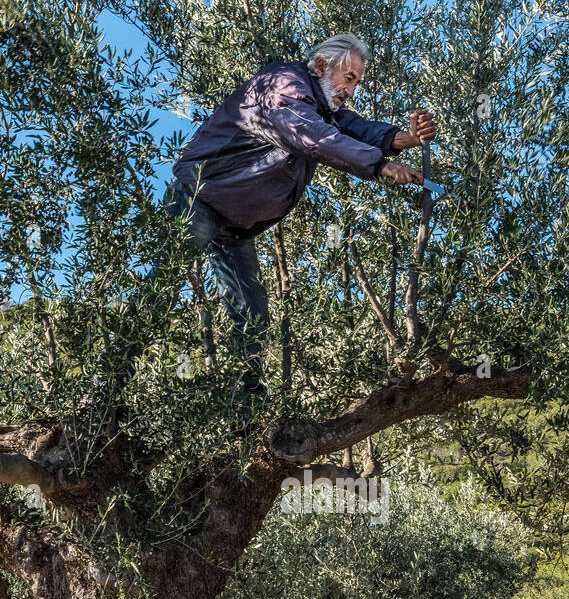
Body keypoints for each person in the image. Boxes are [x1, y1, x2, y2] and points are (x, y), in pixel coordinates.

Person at [164, 32, 436, 394]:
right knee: (161, 285)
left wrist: (406, 138)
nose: (351, 90)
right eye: (349, 78)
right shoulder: (283, 87)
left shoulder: (323, 105)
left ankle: (243, 408)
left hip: (236, 226)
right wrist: (381, 165)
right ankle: (110, 379)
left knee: (253, 314)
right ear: (321, 66)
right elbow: (315, 136)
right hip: (197, 199)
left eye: (357, 82)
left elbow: (351, 126)